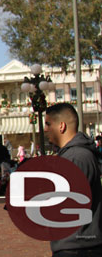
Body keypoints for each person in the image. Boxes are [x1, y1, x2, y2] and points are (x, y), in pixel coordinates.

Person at [44, 103, 102, 256]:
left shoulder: (76, 157)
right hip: (73, 244)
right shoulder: (71, 156)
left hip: (78, 246)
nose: (45, 129)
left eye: (48, 124)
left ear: (61, 126)